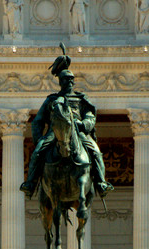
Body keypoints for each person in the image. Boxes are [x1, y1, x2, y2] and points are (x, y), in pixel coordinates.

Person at [20, 52, 113, 200]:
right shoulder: (52, 100)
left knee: (95, 151)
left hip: (78, 131)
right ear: (60, 81)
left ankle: (101, 183)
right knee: (38, 152)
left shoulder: (81, 99)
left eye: (70, 80)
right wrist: (39, 140)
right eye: (65, 80)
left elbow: (90, 116)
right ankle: (30, 183)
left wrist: (83, 124)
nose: (68, 82)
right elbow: (38, 121)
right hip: (55, 132)